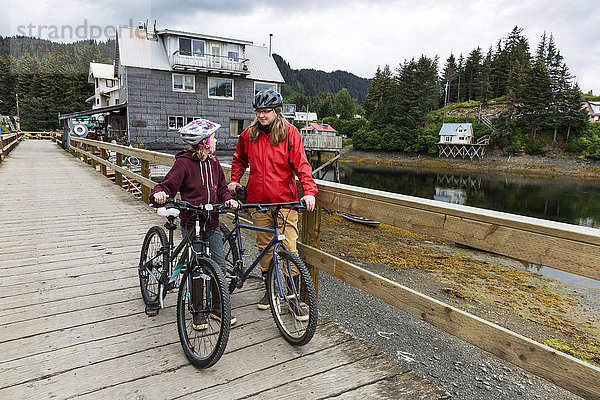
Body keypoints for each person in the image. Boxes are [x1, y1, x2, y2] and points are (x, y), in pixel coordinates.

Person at [228, 89, 317, 320]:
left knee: (289, 248)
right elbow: (239, 159)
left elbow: (302, 165)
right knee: (265, 248)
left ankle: (293, 298)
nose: (262, 115)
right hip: (258, 202)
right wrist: (235, 180)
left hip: (285, 201)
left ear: (276, 112)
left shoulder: (290, 134)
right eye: (258, 111)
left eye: (266, 111)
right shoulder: (249, 135)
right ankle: (270, 291)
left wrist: (309, 192)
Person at [150, 119, 238, 329]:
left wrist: (227, 199)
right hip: (192, 222)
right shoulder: (184, 163)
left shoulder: (214, 163)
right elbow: (167, 185)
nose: (216, 141)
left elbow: (222, 188)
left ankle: (218, 308)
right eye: (213, 138)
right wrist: (159, 194)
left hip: (212, 223)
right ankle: (198, 312)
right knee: (196, 269)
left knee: (219, 267)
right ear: (205, 142)